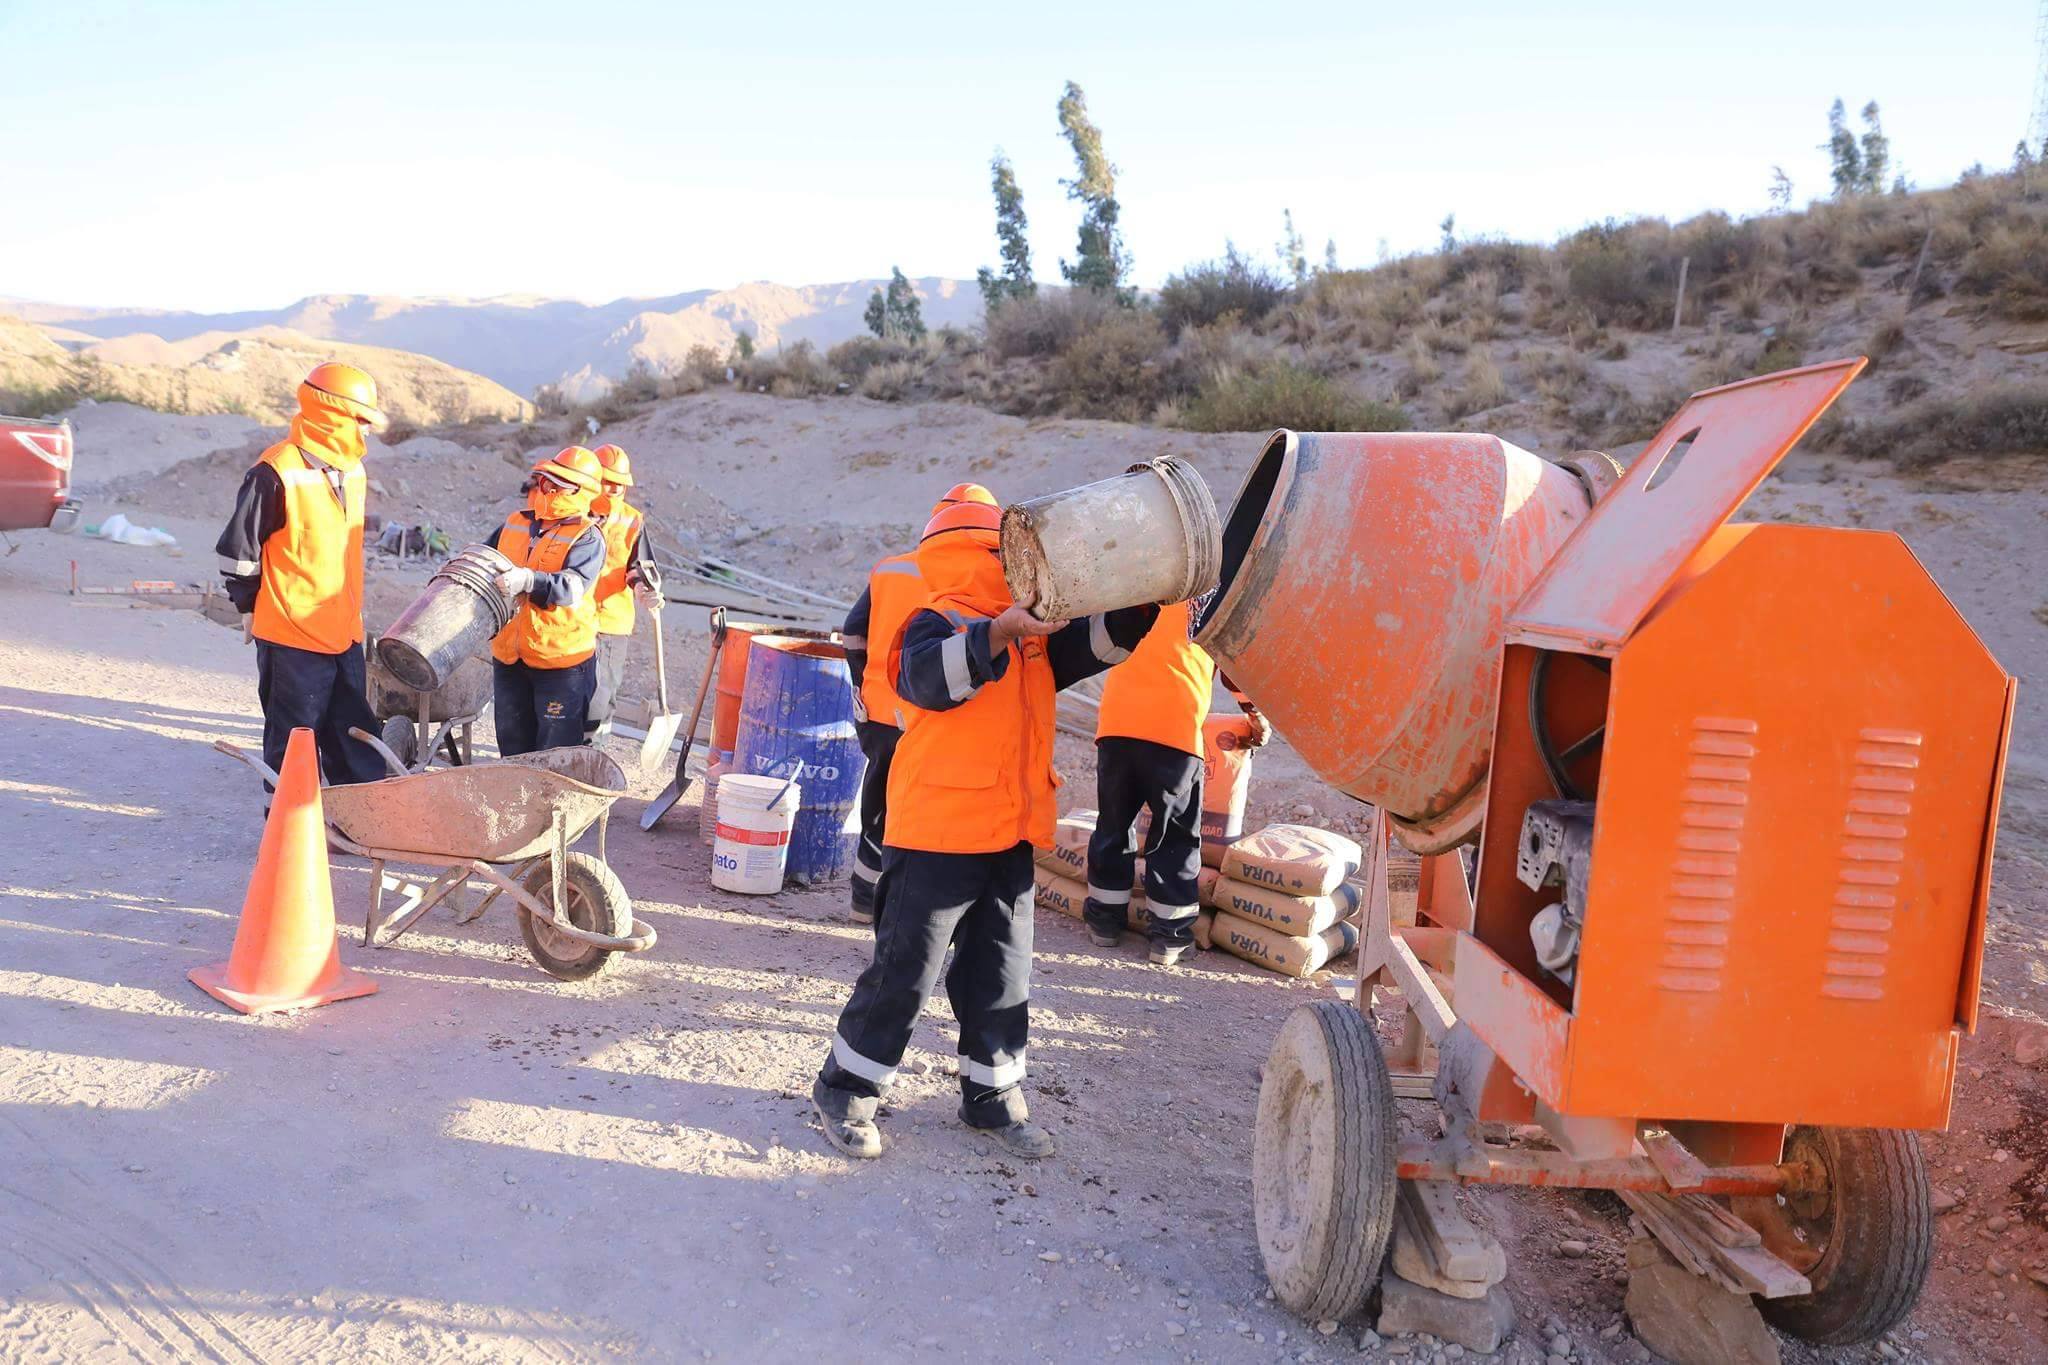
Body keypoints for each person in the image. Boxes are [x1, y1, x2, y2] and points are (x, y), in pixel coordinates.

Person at [811, 497, 1158, 1161]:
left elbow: (1096, 644)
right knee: (905, 971)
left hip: (1007, 832)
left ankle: (991, 1096)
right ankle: (845, 1086)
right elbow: (927, 681)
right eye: (999, 556)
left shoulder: (1032, 639)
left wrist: (1144, 599)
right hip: (936, 831)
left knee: (1000, 975)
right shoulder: (931, 619)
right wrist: (996, 630)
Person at [216, 361, 387, 788]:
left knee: (353, 732)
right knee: (294, 739)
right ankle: (289, 830)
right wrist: (247, 607)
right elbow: (239, 550)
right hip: (292, 634)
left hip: (344, 631)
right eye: (361, 420)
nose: (366, 431)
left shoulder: (352, 471)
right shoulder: (275, 471)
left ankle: (359, 820)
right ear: (333, 415)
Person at [838, 482, 998, 927]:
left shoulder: (891, 569)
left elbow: (852, 634)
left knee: (876, 806)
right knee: (912, 817)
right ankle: (900, 914)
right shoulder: (976, 582)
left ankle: (861, 901)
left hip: (877, 714)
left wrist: (864, 681)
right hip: (929, 719)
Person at [1084, 600, 1269, 965]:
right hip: (1174, 731)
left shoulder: (1141, 588)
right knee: (1175, 836)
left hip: (1117, 725)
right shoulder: (1211, 601)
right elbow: (1233, 666)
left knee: (1113, 826)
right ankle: (1169, 938)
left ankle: (1104, 925)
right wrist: (1255, 714)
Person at [485, 447, 608, 756]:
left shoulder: (587, 536)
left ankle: (550, 806)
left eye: (559, 483)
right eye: (545, 480)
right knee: (513, 746)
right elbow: (484, 557)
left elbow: (572, 588)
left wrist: (528, 580)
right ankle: (515, 803)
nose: (549, 488)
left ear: (581, 491)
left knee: (555, 754)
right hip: (510, 656)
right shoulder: (515, 522)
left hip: (560, 663)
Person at [585, 443, 659, 740]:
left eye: (620, 482)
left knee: (605, 692)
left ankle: (594, 752)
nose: (614, 487)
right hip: (571, 619)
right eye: (607, 480)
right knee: (568, 690)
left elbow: (639, 567)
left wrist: (645, 589)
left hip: (613, 622)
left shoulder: (632, 519)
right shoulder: (577, 513)